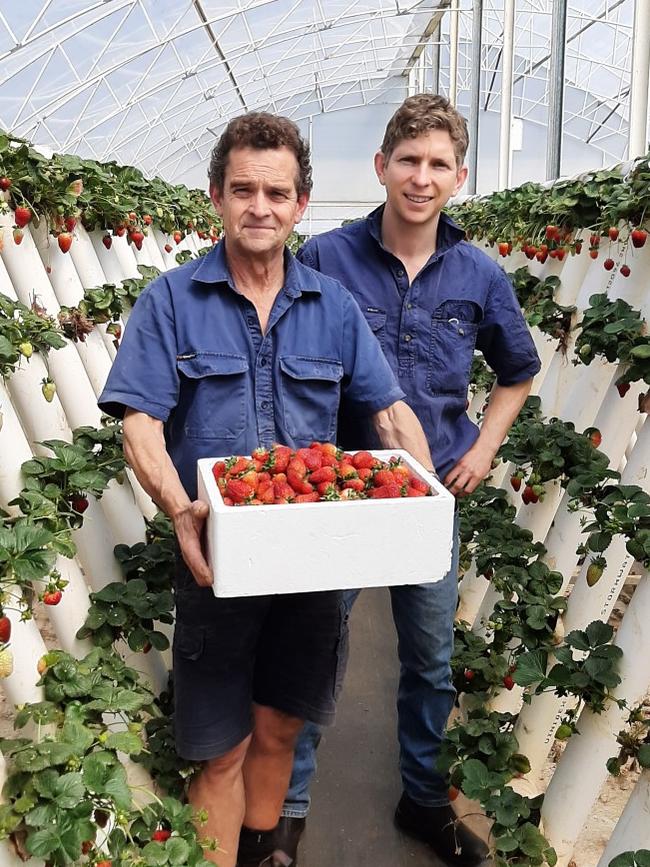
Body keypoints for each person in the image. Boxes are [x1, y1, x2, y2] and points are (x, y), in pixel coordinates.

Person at [98, 111, 437, 867]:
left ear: (300, 203)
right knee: (221, 748)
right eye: (243, 189)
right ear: (215, 195)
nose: (260, 206)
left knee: (282, 726)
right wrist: (178, 505)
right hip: (216, 559)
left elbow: (388, 411)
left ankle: (263, 850)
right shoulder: (170, 301)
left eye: (276, 192)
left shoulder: (333, 307)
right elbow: (141, 424)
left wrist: (425, 489)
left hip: (314, 567)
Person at [275, 94, 542, 866]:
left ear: (459, 176)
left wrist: (484, 447)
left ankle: (421, 796)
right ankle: (287, 812)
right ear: (381, 166)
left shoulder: (479, 273)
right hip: (344, 492)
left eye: (437, 165)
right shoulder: (324, 257)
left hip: (430, 501)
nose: (420, 179)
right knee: (318, 646)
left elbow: (517, 372)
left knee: (427, 658)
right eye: (407, 161)